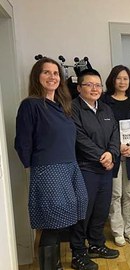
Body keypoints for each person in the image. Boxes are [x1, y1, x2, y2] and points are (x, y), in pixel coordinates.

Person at [14, 57, 88, 270]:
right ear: (37, 77)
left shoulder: (63, 106)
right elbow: (22, 143)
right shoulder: (30, 105)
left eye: (56, 73)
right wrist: (37, 166)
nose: (52, 77)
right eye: (46, 72)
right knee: (52, 224)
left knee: (73, 213)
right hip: (48, 170)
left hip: (70, 167)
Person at [70, 69, 120, 270]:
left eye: (98, 85)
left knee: (101, 210)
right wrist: (103, 156)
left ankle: (96, 245)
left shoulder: (106, 109)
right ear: (79, 88)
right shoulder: (73, 108)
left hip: (106, 169)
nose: (94, 89)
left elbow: (115, 134)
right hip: (85, 169)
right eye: (89, 85)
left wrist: (112, 153)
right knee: (84, 212)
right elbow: (79, 138)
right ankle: (78, 253)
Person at [103, 65, 130, 247]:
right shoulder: (104, 101)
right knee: (115, 194)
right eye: (119, 78)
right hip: (113, 153)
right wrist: (117, 146)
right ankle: (118, 231)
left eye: (126, 78)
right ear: (113, 80)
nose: (122, 82)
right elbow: (103, 128)